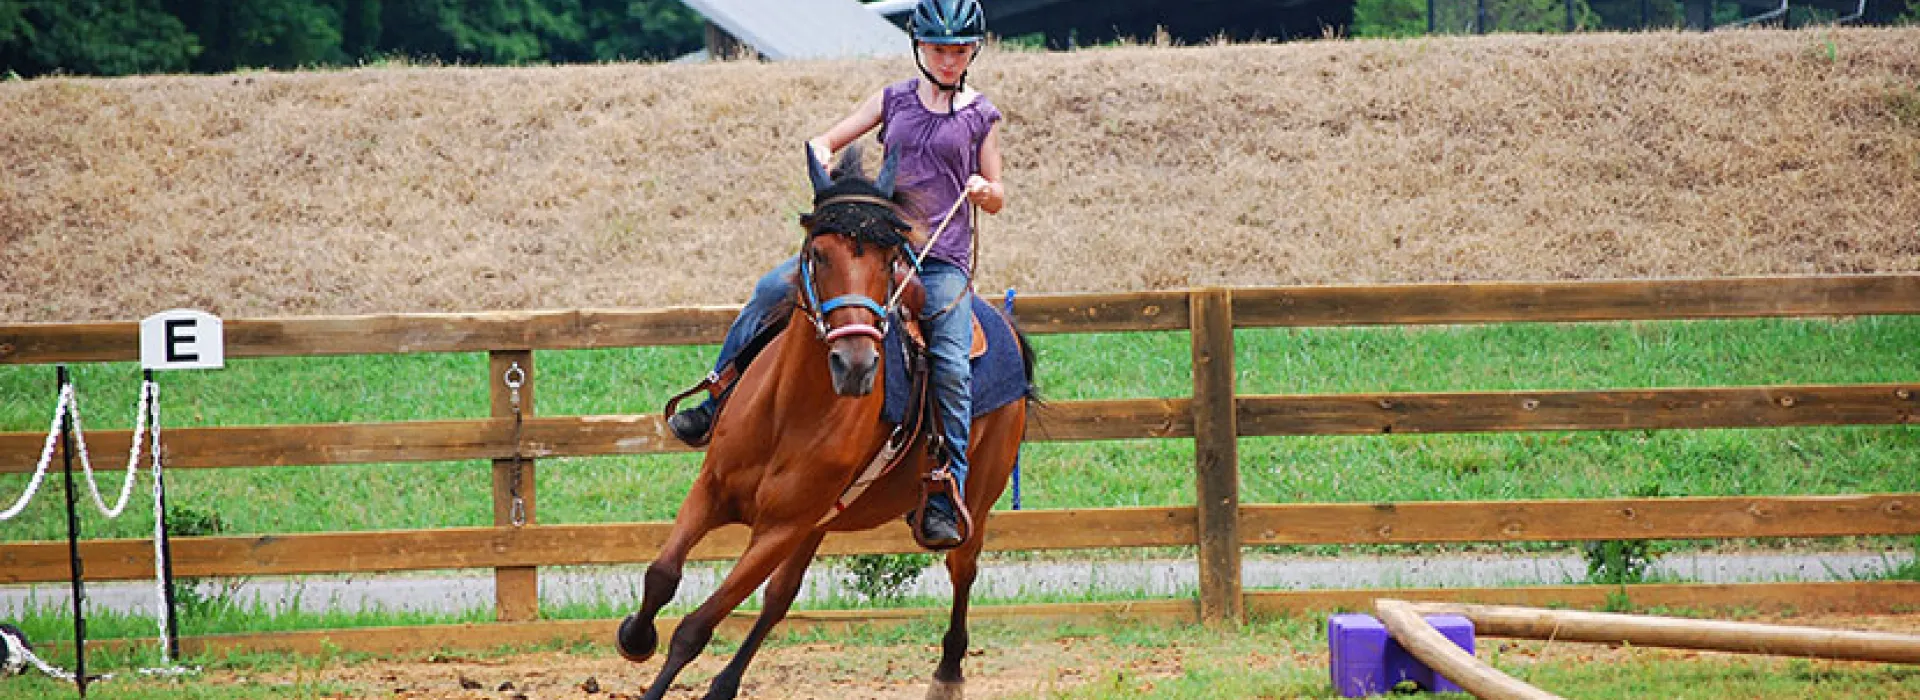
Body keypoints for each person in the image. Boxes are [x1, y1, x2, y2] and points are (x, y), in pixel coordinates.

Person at [666, 0, 1005, 548]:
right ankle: (715, 397)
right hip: (877, 247)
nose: (949, 59)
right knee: (771, 290)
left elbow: (998, 192)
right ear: (920, 47)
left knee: (950, 360)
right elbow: (826, 139)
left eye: (960, 50)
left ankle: (946, 486)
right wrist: (823, 151)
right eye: (939, 49)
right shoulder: (893, 99)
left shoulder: (980, 115)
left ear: (973, 52)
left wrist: (985, 191)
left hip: (941, 259)